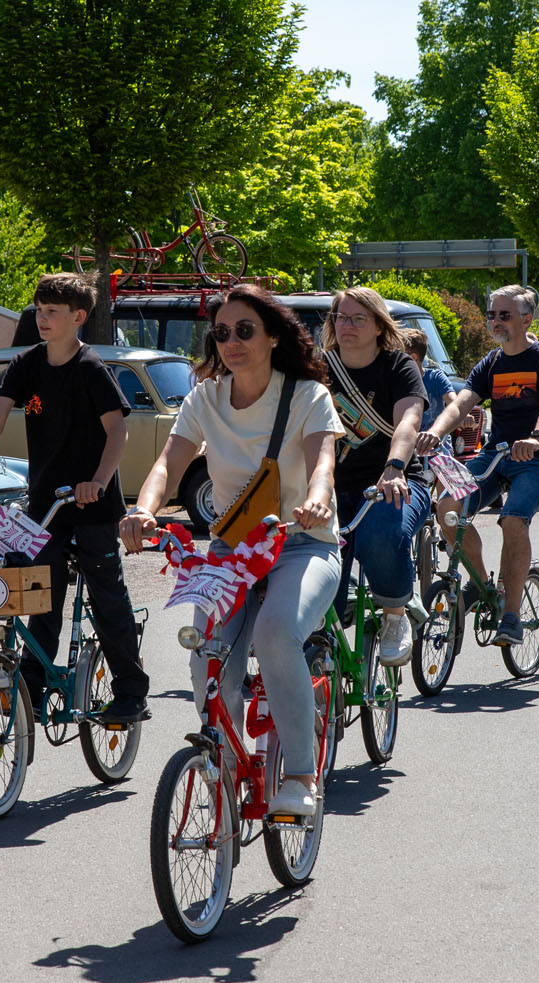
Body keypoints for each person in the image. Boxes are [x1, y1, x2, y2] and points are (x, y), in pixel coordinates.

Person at [119, 285, 342, 818]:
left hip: (301, 542)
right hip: (231, 547)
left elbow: (323, 465)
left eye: (245, 330)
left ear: (272, 336)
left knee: (273, 632)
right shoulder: (204, 400)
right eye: (221, 333)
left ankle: (299, 775)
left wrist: (316, 500)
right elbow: (167, 466)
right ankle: (224, 758)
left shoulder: (308, 396)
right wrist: (143, 510)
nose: (232, 342)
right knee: (207, 654)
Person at [0, 272, 150, 724]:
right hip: (46, 505)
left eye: (52, 312)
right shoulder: (25, 365)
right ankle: (33, 690)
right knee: (40, 596)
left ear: (78, 317)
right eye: (39, 310)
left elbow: (118, 430)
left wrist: (97, 479)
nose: (42, 318)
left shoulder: (92, 369)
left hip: (92, 504)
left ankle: (132, 692)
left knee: (107, 594)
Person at [415, 284, 539, 647]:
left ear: (526, 319)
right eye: (491, 314)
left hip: (538, 457)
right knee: (448, 506)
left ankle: (511, 614)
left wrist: (535, 438)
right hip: (497, 454)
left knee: (513, 519)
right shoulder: (492, 362)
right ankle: (482, 584)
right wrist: (435, 432)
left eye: (504, 315)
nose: (495, 321)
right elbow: (460, 404)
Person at [320, 287, 429, 666]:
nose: (346, 325)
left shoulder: (399, 366)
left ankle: (395, 614)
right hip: (328, 487)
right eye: (340, 317)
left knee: (383, 532)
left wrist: (394, 467)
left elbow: (408, 422)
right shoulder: (317, 368)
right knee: (303, 559)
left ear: (379, 325)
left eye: (357, 318)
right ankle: (318, 649)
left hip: (393, 483)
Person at [402, 328, 453, 434]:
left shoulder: (436, 377)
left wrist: (464, 414)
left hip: (437, 445)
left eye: (399, 356)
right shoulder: (397, 382)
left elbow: (454, 402)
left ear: (413, 358)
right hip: (409, 445)